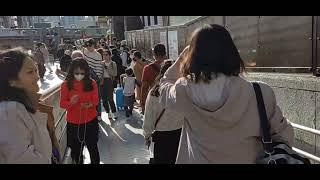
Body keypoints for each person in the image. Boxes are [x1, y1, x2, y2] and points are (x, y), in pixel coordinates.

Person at [158, 24, 294, 164]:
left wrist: (182, 57)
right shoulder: (260, 93)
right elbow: (285, 136)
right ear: (232, 52)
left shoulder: (184, 90)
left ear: (194, 56)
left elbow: (164, 88)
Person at [0, 48, 56, 164]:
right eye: (30, 72)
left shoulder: (27, 104)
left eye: (36, 70)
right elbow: (22, 158)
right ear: (12, 80)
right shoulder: (10, 112)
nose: (37, 76)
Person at [60, 58, 100, 164]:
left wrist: (90, 104)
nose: (79, 75)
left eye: (82, 73)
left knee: (93, 149)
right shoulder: (66, 85)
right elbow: (62, 104)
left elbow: (96, 101)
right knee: (76, 152)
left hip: (90, 121)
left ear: (86, 72)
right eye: (76, 73)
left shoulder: (92, 83)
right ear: (72, 71)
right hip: (73, 123)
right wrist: (71, 102)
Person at [143, 60, 183, 164]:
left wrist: (147, 135)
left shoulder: (154, 93)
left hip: (161, 138)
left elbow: (149, 117)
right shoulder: (183, 91)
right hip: (180, 136)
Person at [141, 44, 167, 114]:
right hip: (167, 102)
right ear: (165, 54)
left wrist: (143, 104)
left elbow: (144, 88)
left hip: (153, 101)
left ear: (154, 55)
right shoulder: (171, 67)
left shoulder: (147, 69)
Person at [97, 48, 118, 120]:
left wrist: (107, 69)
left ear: (110, 56)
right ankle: (108, 112)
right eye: (103, 55)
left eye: (106, 55)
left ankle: (114, 112)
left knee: (110, 98)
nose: (105, 56)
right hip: (102, 81)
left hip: (109, 81)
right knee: (104, 99)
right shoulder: (101, 63)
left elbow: (115, 73)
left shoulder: (113, 63)